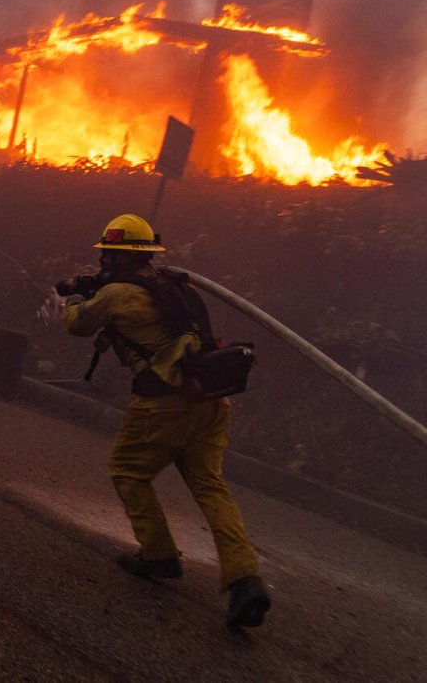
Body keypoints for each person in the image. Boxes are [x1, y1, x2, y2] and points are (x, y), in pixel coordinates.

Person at [51, 213, 271, 628]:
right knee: (209, 485)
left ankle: (158, 554)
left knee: (128, 471)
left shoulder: (117, 293)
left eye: (108, 254)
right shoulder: (173, 285)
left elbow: (78, 324)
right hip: (209, 397)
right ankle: (246, 579)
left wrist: (73, 298)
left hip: (164, 404)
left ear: (115, 255)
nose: (104, 261)